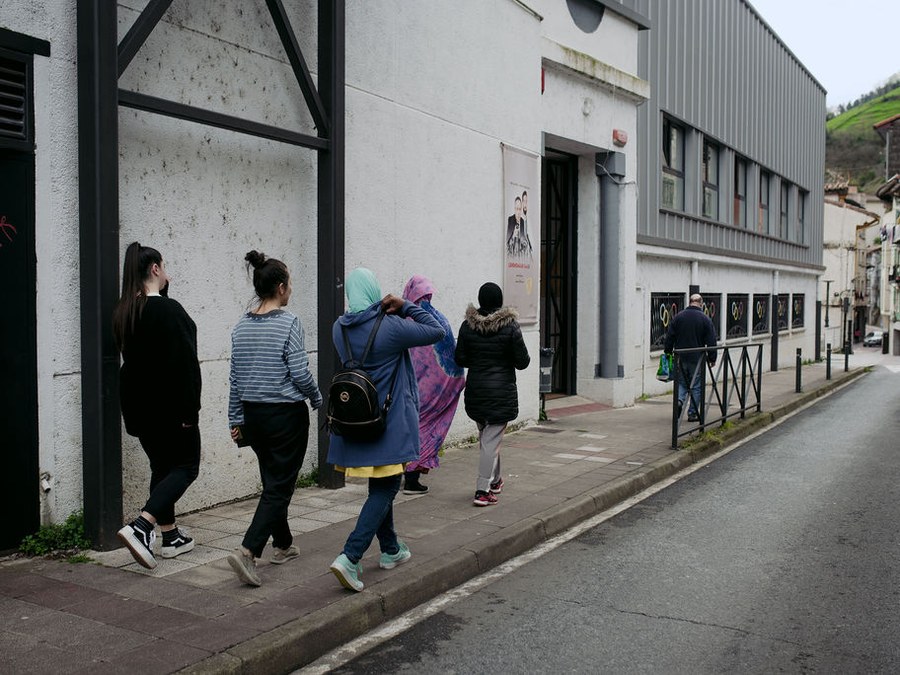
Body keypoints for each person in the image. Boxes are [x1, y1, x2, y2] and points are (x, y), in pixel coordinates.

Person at [328, 268, 444, 592]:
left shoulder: (339, 328)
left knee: (380, 486)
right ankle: (350, 557)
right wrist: (404, 304)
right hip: (388, 423)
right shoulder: (390, 327)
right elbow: (436, 330)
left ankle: (391, 548)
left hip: (357, 420)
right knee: (386, 488)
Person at [227, 250, 323, 587]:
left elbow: (235, 378)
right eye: (290, 284)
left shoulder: (241, 326)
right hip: (285, 415)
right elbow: (298, 370)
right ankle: (248, 552)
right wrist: (315, 396)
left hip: (254, 416)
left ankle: (282, 544)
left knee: (274, 480)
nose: (291, 289)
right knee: (280, 486)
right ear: (281, 287)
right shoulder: (289, 321)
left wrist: (235, 419)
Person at [113, 242, 201, 569]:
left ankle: (172, 536)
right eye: (164, 267)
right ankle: (142, 525)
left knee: (162, 469)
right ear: (154, 269)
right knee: (186, 467)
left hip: (140, 411)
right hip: (172, 411)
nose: (168, 273)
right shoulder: (170, 311)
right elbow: (186, 367)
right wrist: (189, 413)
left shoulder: (125, 313)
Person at [454, 282, 530, 507]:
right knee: (490, 441)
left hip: (477, 391)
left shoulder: (468, 326)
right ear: (499, 301)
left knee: (488, 439)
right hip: (500, 393)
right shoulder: (511, 326)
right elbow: (523, 362)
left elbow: (460, 358)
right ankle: (482, 490)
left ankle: (496, 481)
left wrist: (479, 360)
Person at [400, 275, 465, 494]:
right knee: (423, 430)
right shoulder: (437, 320)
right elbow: (451, 360)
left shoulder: (401, 322)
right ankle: (411, 478)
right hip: (431, 394)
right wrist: (452, 386)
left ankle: (404, 475)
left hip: (406, 390)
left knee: (407, 430)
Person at [664, 293, 718, 422]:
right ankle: (692, 413)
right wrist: (712, 358)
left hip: (680, 357)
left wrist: (668, 353)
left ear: (690, 301)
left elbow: (670, 337)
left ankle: (679, 401)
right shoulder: (705, 319)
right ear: (701, 303)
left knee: (681, 382)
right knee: (696, 385)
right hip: (697, 358)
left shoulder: (678, 317)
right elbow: (711, 340)